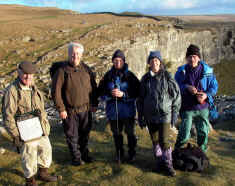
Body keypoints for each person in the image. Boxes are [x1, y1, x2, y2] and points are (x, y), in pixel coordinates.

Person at [2, 61, 59, 186]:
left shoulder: (33, 86)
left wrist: (45, 127)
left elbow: (41, 108)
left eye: (31, 75)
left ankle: (43, 173)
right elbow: (8, 116)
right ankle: (30, 180)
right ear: (19, 72)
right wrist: (16, 135)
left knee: (46, 149)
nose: (28, 77)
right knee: (29, 156)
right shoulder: (11, 91)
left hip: (40, 128)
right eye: (25, 74)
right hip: (24, 132)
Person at [51, 42, 98, 166]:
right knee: (72, 136)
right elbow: (56, 92)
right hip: (70, 111)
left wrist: (94, 103)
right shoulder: (62, 71)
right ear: (68, 54)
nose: (75, 56)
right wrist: (61, 109)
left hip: (86, 110)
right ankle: (76, 158)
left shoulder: (86, 69)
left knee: (85, 134)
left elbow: (93, 87)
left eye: (77, 53)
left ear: (81, 55)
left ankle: (85, 154)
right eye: (72, 53)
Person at [137, 51, 181, 176]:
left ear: (160, 62)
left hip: (165, 115)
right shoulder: (145, 79)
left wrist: (174, 114)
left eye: (156, 60)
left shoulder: (167, 76)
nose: (154, 62)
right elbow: (140, 99)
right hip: (150, 116)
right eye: (152, 60)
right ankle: (160, 163)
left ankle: (168, 165)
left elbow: (177, 96)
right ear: (149, 63)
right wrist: (140, 116)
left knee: (164, 141)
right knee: (155, 141)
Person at [98, 49, 140, 163]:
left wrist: (124, 94)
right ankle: (119, 154)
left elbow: (137, 91)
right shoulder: (108, 76)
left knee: (130, 133)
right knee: (117, 134)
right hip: (113, 112)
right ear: (112, 61)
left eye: (120, 60)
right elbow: (100, 92)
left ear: (124, 61)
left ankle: (132, 153)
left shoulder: (130, 75)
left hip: (128, 111)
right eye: (115, 60)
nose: (118, 62)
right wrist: (109, 95)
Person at [174, 44, 218, 153]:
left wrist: (206, 95)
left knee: (203, 132)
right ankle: (177, 151)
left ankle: (201, 153)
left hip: (203, 107)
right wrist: (186, 87)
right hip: (187, 107)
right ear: (186, 58)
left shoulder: (207, 72)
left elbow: (214, 87)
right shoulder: (181, 72)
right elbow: (175, 86)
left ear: (198, 57)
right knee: (184, 132)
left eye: (194, 56)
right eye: (189, 56)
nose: (192, 59)